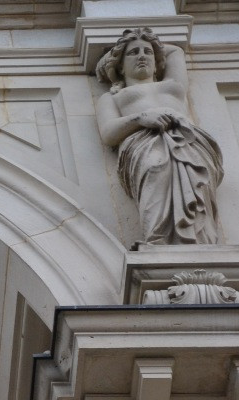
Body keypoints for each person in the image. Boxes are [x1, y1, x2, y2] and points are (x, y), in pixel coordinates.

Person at [96, 28, 223, 246]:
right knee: (156, 170)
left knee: (197, 183)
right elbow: (108, 133)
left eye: (147, 52)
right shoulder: (113, 97)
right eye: (133, 53)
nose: (142, 56)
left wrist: (144, 42)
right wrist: (141, 118)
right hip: (145, 142)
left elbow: (176, 52)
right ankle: (158, 238)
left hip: (189, 141)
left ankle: (201, 238)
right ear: (120, 66)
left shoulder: (173, 85)